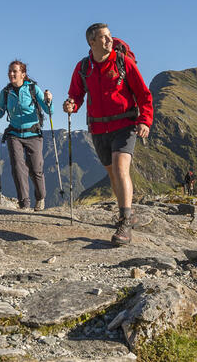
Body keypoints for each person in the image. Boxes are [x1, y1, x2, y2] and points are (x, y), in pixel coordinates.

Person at [63, 23, 153, 245]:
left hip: (125, 125)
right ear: (91, 42)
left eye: (109, 36)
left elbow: (143, 94)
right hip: (98, 128)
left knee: (121, 168)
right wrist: (71, 106)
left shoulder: (124, 63)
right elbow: (76, 95)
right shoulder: (83, 67)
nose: (109, 40)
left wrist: (145, 121)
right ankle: (127, 212)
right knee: (112, 174)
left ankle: (124, 222)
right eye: (103, 37)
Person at [0, 60, 53, 211]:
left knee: (36, 168)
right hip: (14, 134)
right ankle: (24, 203)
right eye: (10, 71)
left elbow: (48, 110)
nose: (11, 74)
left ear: (23, 74)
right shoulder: (6, 92)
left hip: (33, 133)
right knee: (17, 167)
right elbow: (1, 112)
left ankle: (40, 197)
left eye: (15, 71)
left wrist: (49, 101)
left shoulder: (33, 89)